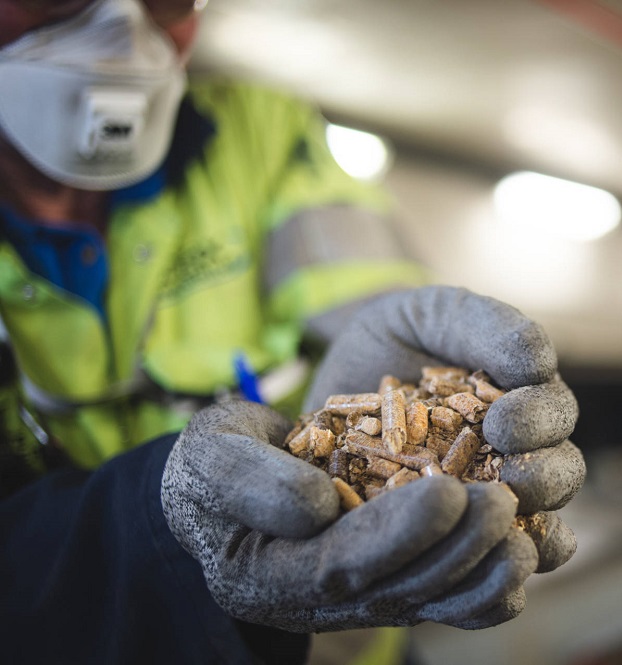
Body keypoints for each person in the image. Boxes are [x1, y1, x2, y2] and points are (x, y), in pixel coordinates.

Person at [0, 2, 587, 664]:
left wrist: (436, 364)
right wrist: (159, 528)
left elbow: (368, 285)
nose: (123, 25)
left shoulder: (259, 130)